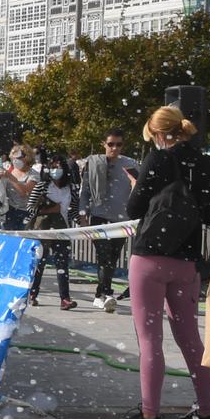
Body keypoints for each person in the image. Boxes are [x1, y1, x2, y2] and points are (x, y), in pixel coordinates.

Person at [111, 106, 210, 419]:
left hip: (150, 257)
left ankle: (149, 417)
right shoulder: (206, 164)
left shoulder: (157, 160)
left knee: (150, 340)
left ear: (158, 135)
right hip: (187, 260)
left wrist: (139, 186)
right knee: (190, 338)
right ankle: (207, 413)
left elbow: (134, 208)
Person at [79, 131, 138, 310]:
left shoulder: (130, 164)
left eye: (118, 144)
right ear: (103, 143)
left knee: (112, 257)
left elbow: (141, 187)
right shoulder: (94, 163)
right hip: (99, 216)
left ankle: (100, 293)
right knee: (104, 256)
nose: (114, 148)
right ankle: (107, 294)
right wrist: (83, 215)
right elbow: (86, 191)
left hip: (121, 219)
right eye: (111, 144)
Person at [28, 151, 77, 310]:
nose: (56, 169)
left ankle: (65, 298)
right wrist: (48, 209)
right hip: (43, 230)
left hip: (63, 230)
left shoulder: (70, 188)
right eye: (53, 167)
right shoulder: (42, 186)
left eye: (59, 166)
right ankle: (32, 294)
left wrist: (82, 222)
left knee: (62, 263)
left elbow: (74, 210)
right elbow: (30, 208)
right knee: (39, 262)